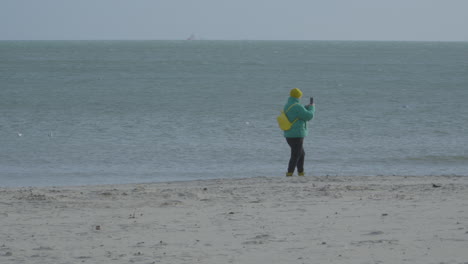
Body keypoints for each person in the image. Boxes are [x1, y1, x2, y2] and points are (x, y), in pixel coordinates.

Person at [283, 88, 315, 176]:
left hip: (289, 134)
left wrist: (305, 107)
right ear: (299, 96)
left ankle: (300, 172)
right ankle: (290, 172)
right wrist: (312, 107)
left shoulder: (288, 105)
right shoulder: (297, 106)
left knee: (301, 153)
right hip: (297, 134)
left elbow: (296, 113)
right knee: (296, 154)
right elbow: (309, 116)